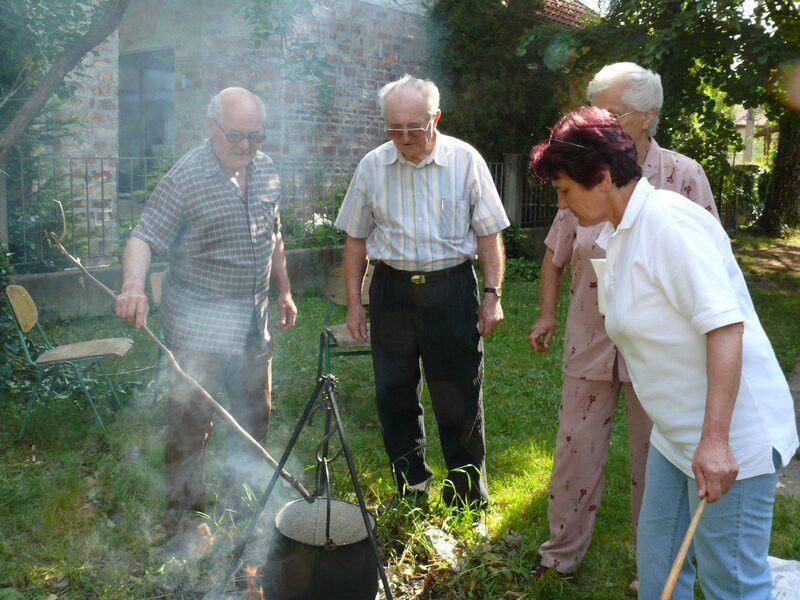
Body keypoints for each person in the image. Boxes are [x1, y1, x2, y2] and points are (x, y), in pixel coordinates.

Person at [529, 105, 798, 599]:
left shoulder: (669, 225)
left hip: (730, 441)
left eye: (565, 190)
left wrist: (715, 442)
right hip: (675, 439)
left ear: (604, 177)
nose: (562, 205)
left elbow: (725, 328)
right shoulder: (621, 231)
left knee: (732, 585)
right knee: (658, 572)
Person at [527, 62, 720, 580]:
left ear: (649, 115)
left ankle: (654, 565)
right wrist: (546, 313)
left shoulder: (683, 177)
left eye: (612, 112)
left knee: (653, 462)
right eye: (595, 111)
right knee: (575, 451)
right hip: (590, 339)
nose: (601, 121)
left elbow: (712, 269)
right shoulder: (583, 173)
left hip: (656, 354)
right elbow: (555, 253)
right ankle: (560, 552)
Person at [115, 87, 297, 556]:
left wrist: (285, 290)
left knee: (254, 419)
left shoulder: (268, 170)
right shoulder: (186, 178)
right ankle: (183, 521)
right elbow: (143, 237)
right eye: (236, 135)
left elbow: (274, 236)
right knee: (189, 427)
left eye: (255, 135)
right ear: (210, 127)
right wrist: (134, 286)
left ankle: (241, 506)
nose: (246, 146)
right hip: (197, 330)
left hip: (252, 327)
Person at [334, 74, 509, 512]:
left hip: (451, 289)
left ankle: (468, 500)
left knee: (459, 395)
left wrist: (493, 294)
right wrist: (356, 303)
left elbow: (489, 235)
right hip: (392, 291)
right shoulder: (372, 166)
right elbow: (355, 239)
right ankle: (411, 492)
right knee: (394, 395)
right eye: (395, 128)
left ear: (437, 117)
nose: (405, 138)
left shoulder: (465, 161)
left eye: (415, 127)